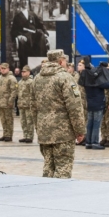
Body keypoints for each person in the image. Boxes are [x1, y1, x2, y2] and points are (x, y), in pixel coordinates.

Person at [34, 49, 85, 178]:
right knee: (63, 167)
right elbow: (74, 106)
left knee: (48, 166)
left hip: (44, 131)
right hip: (63, 132)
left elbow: (33, 106)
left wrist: (38, 127)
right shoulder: (66, 78)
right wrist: (79, 130)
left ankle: (47, 194)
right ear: (61, 61)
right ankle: (60, 195)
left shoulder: (37, 78)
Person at [10, 0, 49, 67]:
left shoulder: (32, 14)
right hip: (25, 39)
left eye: (27, 0)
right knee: (26, 43)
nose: (25, 1)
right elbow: (13, 31)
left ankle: (41, 63)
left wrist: (45, 32)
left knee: (40, 34)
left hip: (34, 38)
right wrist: (19, 36)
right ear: (20, 1)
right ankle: (29, 66)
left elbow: (40, 24)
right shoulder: (17, 17)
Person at [79, 60, 109, 149]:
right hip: (98, 103)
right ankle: (95, 142)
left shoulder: (87, 78)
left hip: (90, 104)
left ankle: (88, 142)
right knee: (96, 123)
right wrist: (104, 71)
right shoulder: (98, 81)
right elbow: (108, 84)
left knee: (90, 123)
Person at [0, 63, 17, 142]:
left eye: (4, 68)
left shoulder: (11, 78)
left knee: (9, 120)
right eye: (2, 68)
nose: (3, 70)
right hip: (0, 102)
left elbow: (14, 91)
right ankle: (5, 134)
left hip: (7, 103)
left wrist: (11, 101)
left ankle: (9, 135)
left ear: (8, 69)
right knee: (3, 120)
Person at [17, 65, 35, 143]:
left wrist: (32, 103)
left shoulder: (31, 82)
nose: (23, 73)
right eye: (22, 72)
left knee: (29, 121)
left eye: (24, 72)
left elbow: (33, 94)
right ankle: (25, 135)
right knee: (23, 121)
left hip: (28, 105)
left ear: (28, 72)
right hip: (21, 104)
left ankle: (30, 136)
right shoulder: (20, 82)